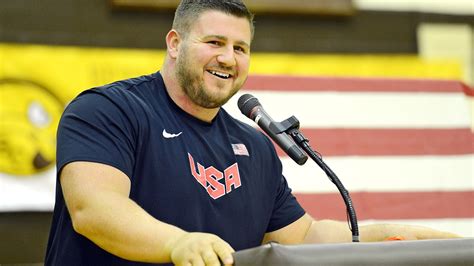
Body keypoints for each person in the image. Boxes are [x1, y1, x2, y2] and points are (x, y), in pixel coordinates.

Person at [45, 0, 459, 265]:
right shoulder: (108, 110)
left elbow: (304, 237)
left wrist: (394, 238)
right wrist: (178, 244)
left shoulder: (257, 147)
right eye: (214, 42)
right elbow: (94, 211)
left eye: (240, 48)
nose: (228, 57)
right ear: (175, 43)